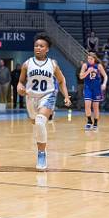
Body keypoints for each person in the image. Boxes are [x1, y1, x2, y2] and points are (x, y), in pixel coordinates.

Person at [17, 33, 72, 171]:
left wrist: (66, 96)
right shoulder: (27, 64)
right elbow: (21, 82)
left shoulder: (52, 64)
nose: (38, 48)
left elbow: (61, 80)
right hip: (31, 98)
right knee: (36, 124)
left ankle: (41, 154)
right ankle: (41, 147)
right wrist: (20, 88)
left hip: (47, 96)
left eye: (41, 46)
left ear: (47, 49)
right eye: (36, 45)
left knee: (41, 121)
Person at [80, 52, 107, 131]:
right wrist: (88, 71)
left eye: (91, 59)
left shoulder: (98, 66)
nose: (89, 60)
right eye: (88, 59)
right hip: (88, 87)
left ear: (94, 59)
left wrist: (104, 84)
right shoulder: (85, 65)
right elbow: (81, 76)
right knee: (87, 105)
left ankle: (95, 123)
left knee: (95, 107)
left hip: (96, 88)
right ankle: (89, 121)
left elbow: (105, 76)